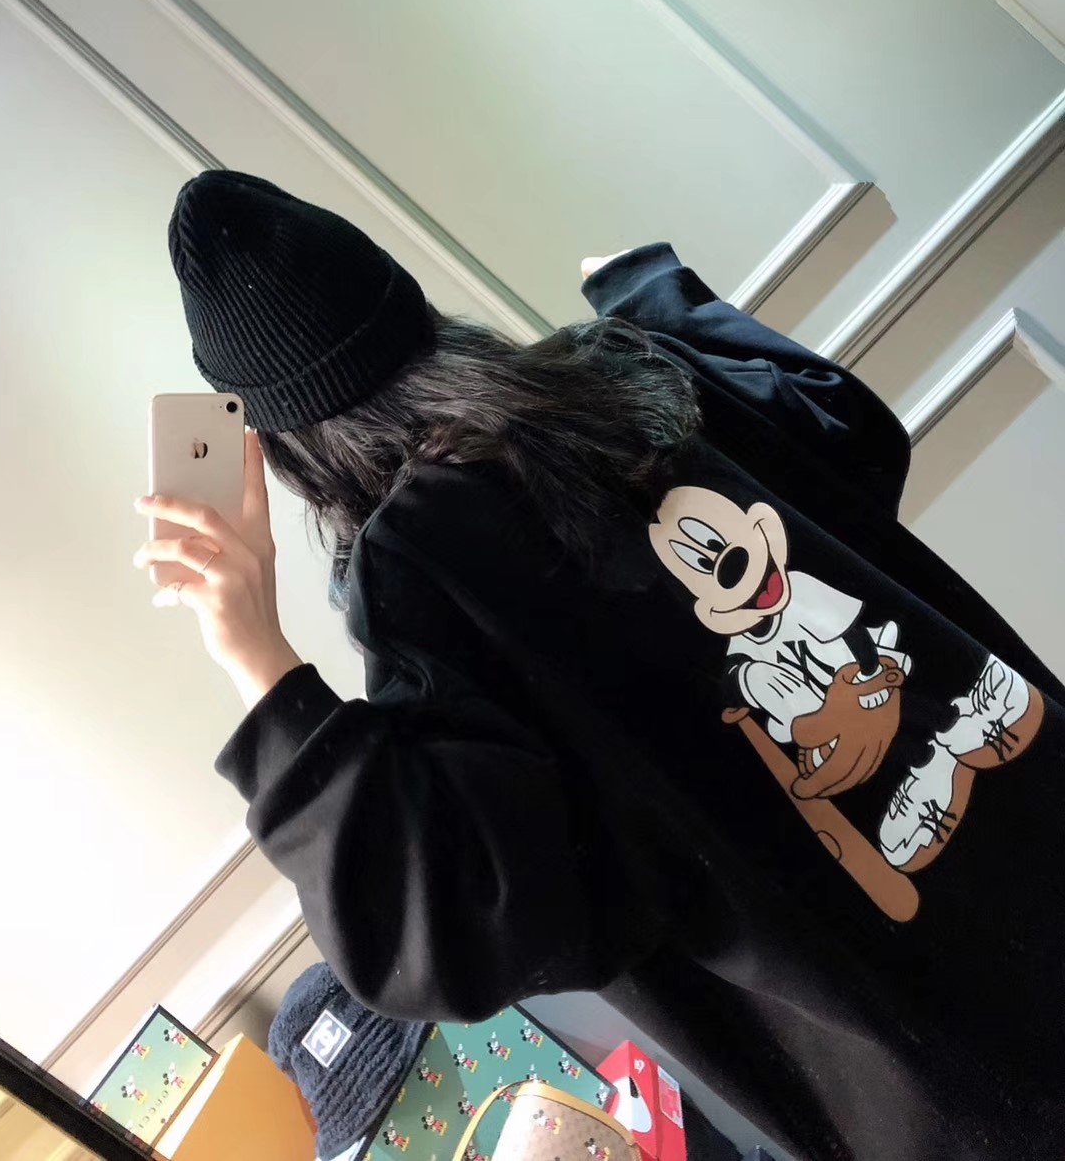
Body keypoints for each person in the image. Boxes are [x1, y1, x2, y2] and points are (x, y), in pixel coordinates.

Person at [135, 170, 1065, 1161]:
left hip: (964, 1080)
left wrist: (257, 658)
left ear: (278, 446)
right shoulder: (618, 369)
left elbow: (457, 925)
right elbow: (850, 438)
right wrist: (650, 291)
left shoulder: (422, 570)